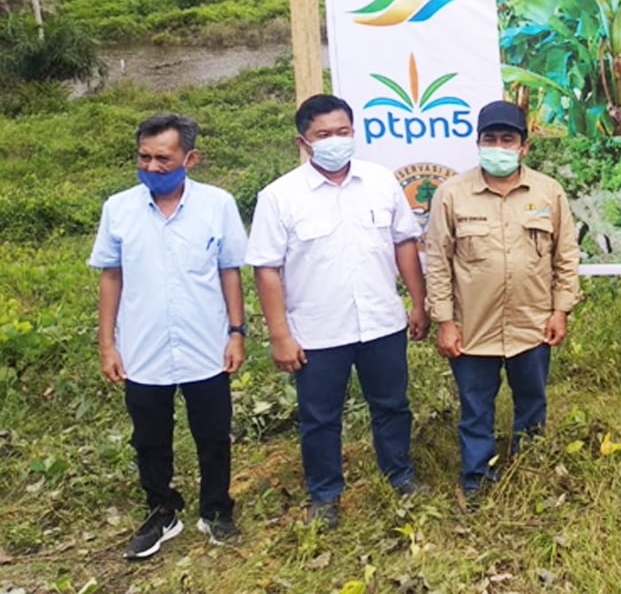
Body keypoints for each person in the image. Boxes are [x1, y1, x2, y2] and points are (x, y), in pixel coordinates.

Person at [245, 94, 429, 528]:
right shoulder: (279, 197)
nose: (335, 141)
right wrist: (280, 334)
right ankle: (325, 496)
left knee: (392, 406)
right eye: (323, 135)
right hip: (316, 332)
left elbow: (405, 242)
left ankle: (399, 475)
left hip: (381, 322)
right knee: (319, 418)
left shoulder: (381, 182)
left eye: (343, 132)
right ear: (304, 141)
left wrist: (418, 303)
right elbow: (267, 269)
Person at [89, 113, 248, 559]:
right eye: (144, 157)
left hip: (206, 344)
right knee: (149, 437)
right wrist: (108, 344)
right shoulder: (118, 208)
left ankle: (216, 509)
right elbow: (111, 278)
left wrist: (237, 333)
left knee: (213, 432)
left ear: (190, 158)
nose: (153, 167)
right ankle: (162, 511)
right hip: (143, 347)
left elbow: (229, 272)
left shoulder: (217, 204)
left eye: (164, 158)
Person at [423, 101, 580, 498]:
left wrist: (560, 310)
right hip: (473, 329)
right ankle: (477, 481)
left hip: (533, 326)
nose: (498, 146)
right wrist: (445, 321)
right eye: (490, 139)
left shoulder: (548, 192)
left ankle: (530, 472)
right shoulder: (451, 194)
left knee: (532, 401)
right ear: (477, 143)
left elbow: (566, 255)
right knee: (476, 409)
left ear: (524, 147)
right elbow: (438, 262)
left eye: (507, 139)